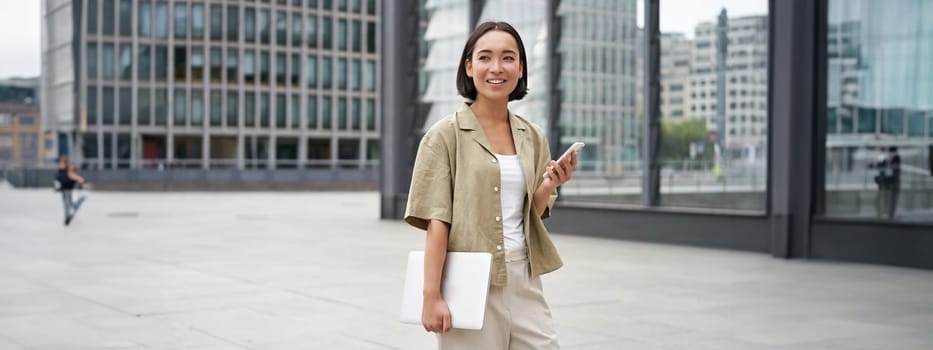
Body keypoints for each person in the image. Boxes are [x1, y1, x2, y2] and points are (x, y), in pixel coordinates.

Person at [404, 21, 578, 349]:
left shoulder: (533, 135)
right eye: (485, 57)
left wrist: (548, 186)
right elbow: (437, 222)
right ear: (469, 67)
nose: (496, 68)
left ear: (521, 67)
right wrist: (431, 296)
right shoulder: (444, 136)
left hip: (524, 277)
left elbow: (531, 215)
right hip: (470, 282)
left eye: (508, 58)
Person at [869, 146, 901, 219]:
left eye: (890, 152)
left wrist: (887, 164)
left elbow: (894, 167)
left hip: (891, 183)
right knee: (884, 198)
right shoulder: (887, 159)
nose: (889, 154)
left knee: (889, 199)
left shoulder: (896, 158)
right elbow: (880, 165)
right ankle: (885, 214)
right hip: (886, 183)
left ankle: (888, 214)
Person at [56, 155, 86, 225]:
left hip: (68, 188)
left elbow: (73, 176)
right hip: (65, 188)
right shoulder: (63, 170)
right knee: (66, 203)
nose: (61, 163)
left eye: (63, 161)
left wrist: (79, 179)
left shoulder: (67, 170)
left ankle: (68, 216)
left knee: (67, 203)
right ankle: (68, 215)